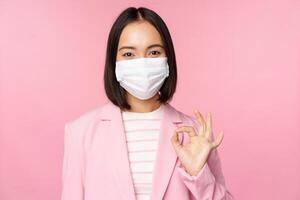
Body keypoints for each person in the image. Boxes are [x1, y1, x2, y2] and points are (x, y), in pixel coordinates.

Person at [61, 6, 235, 200]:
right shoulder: (80, 133)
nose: (142, 63)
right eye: (129, 54)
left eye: (153, 52)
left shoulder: (194, 134)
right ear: (114, 63)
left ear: (168, 60)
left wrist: (199, 174)